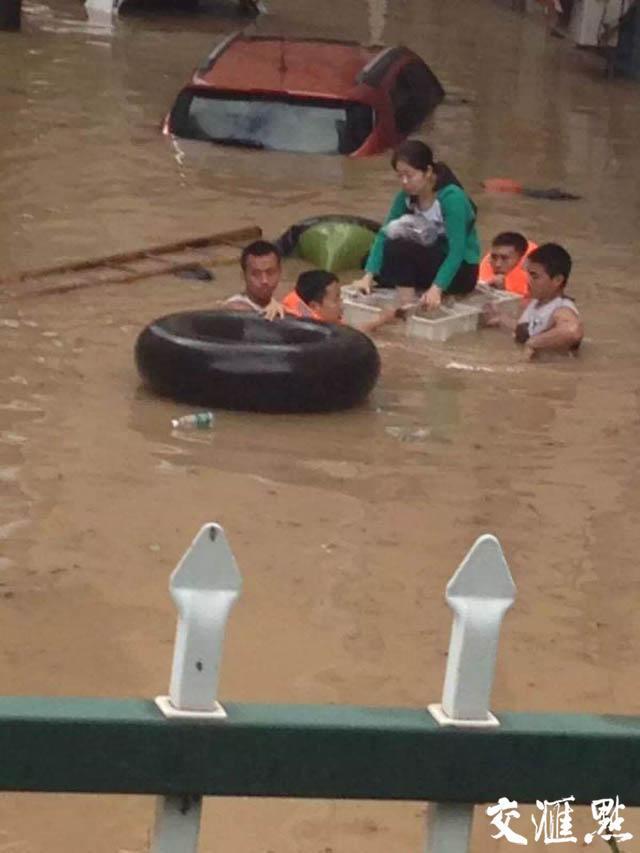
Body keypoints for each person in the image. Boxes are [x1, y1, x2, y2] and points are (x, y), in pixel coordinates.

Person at [352, 140, 481, 311]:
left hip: (461, 270)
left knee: (399, 247)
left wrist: (437, 288)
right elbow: (385, 233)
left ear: (427, 171)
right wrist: (368, 275)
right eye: (400, 176)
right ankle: (406, 290)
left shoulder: (451, 198)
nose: (404, 181)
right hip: (427, 258)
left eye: (409, 175)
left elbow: (457, 250)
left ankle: (406, 306)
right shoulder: (405, 197)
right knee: (375, 256)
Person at [484, 243, 583, 359]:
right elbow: (532, 329)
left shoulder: (561, 309)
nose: (528, 280)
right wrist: (501, 319)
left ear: (557, 280)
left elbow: (572, 331)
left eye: (534, 276)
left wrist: (534, 343)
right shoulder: (538, 303)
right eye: (528, 274)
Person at [283, 269, 400, 334]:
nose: (342, 303)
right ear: (314, 306)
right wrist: (382, 320)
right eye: (336, 299)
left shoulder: (300, 308)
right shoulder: (316, 332)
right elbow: (355, 334)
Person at [223, 240, 284, 319]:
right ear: (243, 276)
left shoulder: (276, 306)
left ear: (280, 273)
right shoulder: (234, 308)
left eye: (270, 273)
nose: (264, 280)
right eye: (256, 274)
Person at [478, 232, 537, 297]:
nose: (498, 264)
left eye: (505, 259)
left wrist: (503, 292)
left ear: (521, 260)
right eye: (494, 257)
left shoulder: (535, 277)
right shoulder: (487, 265)